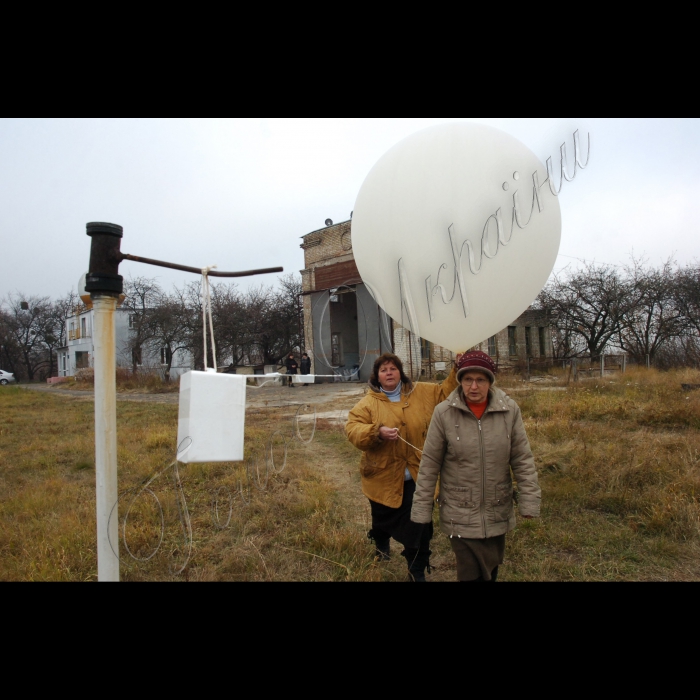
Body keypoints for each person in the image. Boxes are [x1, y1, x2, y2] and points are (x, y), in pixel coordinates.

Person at [410, 351, 541, 582]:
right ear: (460, 380)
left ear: (490, 382)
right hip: (460, 509)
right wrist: (421, 509)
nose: (473, 386)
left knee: (491, 566)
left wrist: (529, 500)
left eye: (480, 380)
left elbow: (522, 458)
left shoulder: (509, 411)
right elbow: (429, 464)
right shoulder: (444, 413)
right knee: (469, 569)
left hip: (496, 506)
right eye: (467, 379)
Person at [345, 352, 459, 581]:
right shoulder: (368, 404)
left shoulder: (422, 393)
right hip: (382, 477)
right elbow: (353, 430)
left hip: (418, 476)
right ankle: (381, 541)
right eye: (384, 369)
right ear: (377, 376)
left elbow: (446, 392)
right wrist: (376, 432)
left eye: (393, 368)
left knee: (420, 524)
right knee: (382, 520)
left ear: (400, 372)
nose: (389, 372)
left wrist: (457, 368)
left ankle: (416, 570)